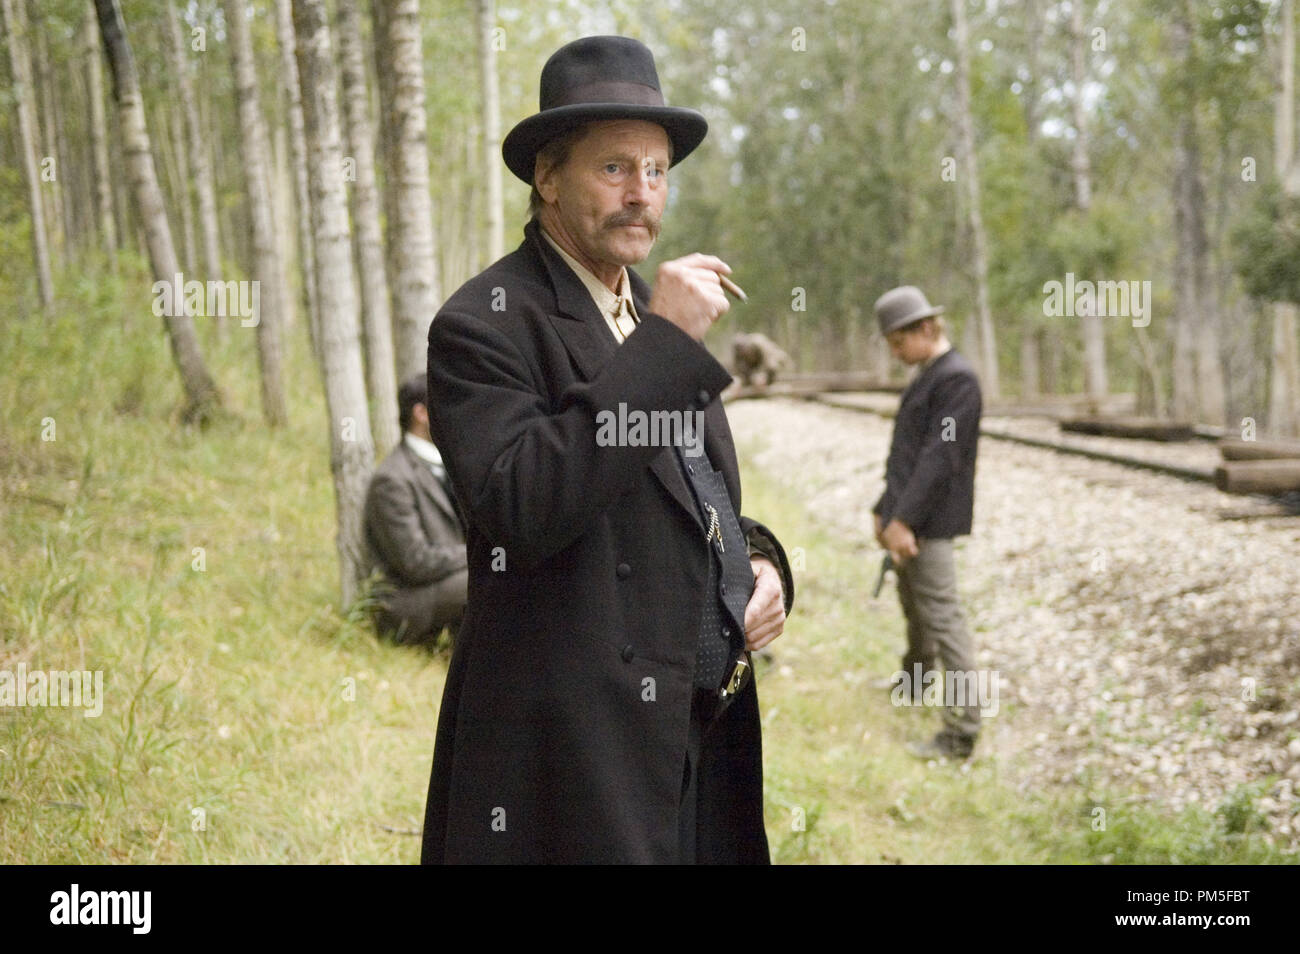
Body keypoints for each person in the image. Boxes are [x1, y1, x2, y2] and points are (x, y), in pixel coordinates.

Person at [419, 35, 794, 864]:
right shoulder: (485, 321)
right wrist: (663, 347)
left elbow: (695, 497)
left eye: (656, 172)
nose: (641, 196)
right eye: (613, 169)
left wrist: (762, 569)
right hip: (573, 755)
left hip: (699, 732)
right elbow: (522, 504)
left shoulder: (651, 311)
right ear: (547, 177)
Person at [871, 286, 983, 760]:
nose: (896, 353)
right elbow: (907, 455)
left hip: (930, 521)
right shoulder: (928, 375)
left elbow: (940, 459)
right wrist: (885, 509)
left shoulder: (958, 380)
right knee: (913, 602)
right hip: (909, 515)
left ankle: (961, 733)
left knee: (942, 615)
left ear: (927, 329)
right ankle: (916, 679)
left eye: (900, 343)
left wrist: (905, 520)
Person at [363, 374, 468, 647]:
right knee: (492, 577)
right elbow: (414, 562)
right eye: (445, 404)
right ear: (421, 413)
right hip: (406, 600)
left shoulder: (452, 464)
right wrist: (477, 555)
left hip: (449, 581)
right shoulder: (392, 479)